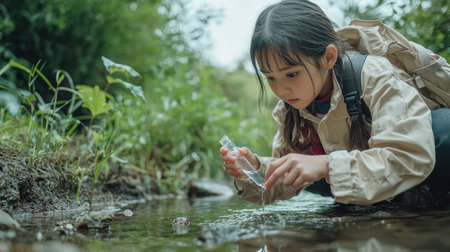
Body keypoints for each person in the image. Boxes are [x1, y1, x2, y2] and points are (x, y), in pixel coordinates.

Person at [219, 0, 450, 207]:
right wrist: (253, 170)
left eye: (291, 74)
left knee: (444, 129)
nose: (280, 90)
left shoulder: (372, 75)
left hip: (426, 170)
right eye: (270, 77)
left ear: (328, 57)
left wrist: (326, 165)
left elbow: (409, 156)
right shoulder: (291, 107)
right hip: (362, 183)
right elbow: (285, 180)